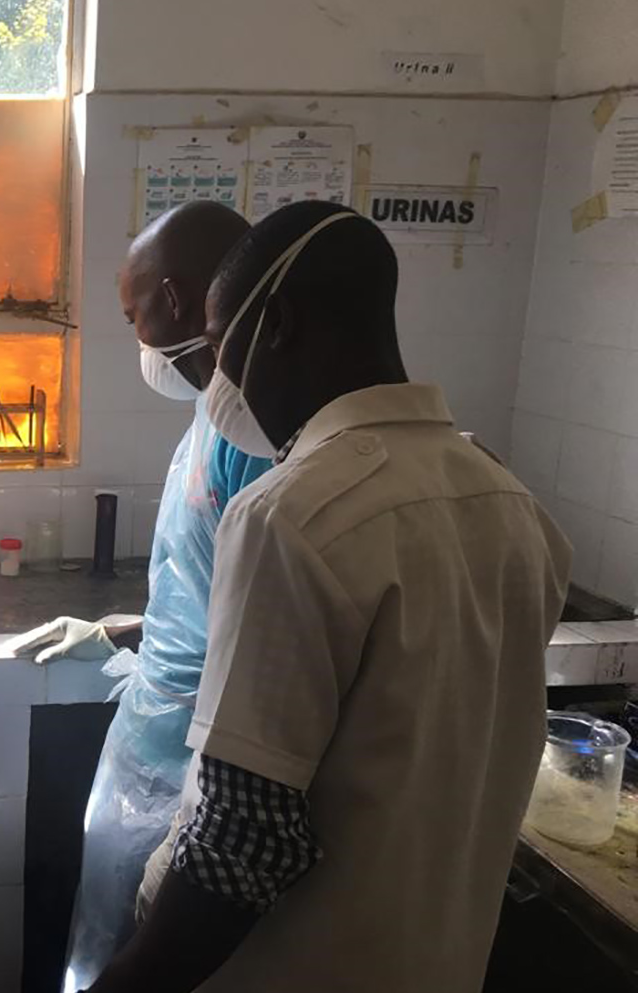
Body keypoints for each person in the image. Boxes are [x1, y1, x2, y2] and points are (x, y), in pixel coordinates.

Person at [89, 202, 571, 993]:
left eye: (218, 348)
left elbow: (243, 841)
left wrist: (131, 980)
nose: (217, 384)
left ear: (274, 326)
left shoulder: (294, 515)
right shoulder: (513, 505)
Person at [9, 201, 274, 992]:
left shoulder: (256, 438)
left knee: (145, 959)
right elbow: (209, 592)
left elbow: (265, 631)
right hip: (152, 746)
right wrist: (125, 629)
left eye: (132, 315)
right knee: (106, 944)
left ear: (174, 297)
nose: (137, 339)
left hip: (196, 780)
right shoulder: (215, 417)